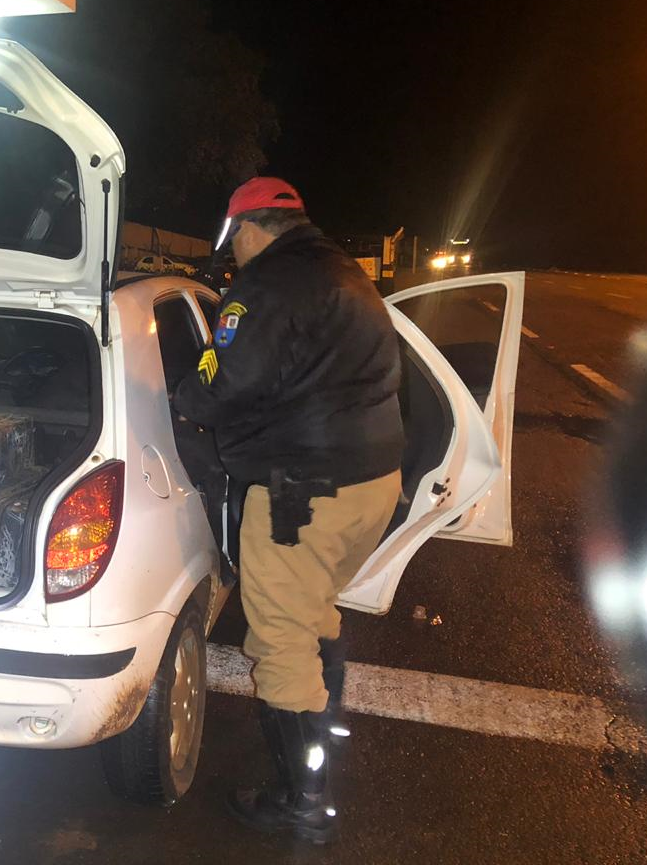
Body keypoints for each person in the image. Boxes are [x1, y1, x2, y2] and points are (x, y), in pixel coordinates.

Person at [173, 177, 403, 845]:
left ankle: (301, 801)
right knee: (314, 613)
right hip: (369, 486)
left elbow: (223, 380)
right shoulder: (341, 271)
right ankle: (322, 733)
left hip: (303, 494)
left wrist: (183, 401)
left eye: (232, 240)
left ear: (246, 229)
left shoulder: (265, 288)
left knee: (280, 643)